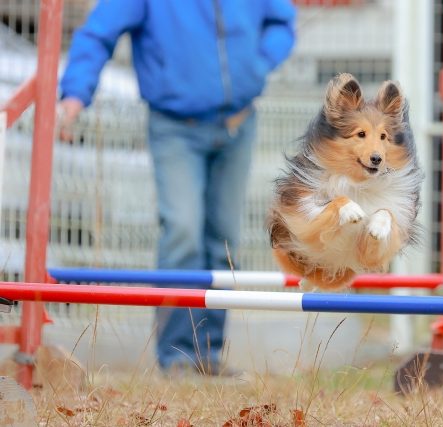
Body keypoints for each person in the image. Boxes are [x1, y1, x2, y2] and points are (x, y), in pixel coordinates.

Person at [58, 0, 297, 375]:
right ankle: (175, 357)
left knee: (224, 240)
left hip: (239, 122)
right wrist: (75, 93)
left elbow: (282, 21)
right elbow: (97, 32)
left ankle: (210, 354)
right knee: (182, 231)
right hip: (175, 125)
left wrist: (258, 63)